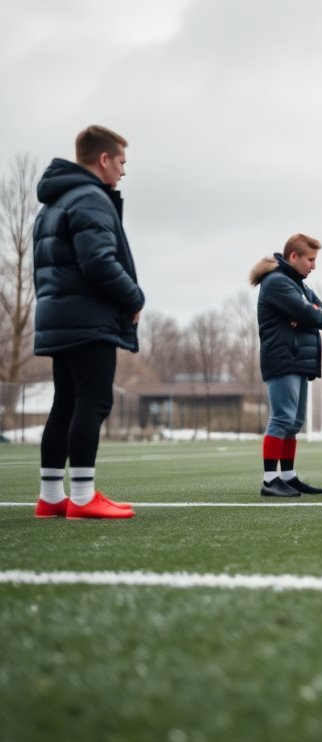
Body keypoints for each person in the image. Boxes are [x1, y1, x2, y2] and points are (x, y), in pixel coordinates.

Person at [31, 125, 144, 520]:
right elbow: (98, 262)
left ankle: (51, 496)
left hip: (59, 315)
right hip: (87, 317)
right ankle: (81, 497)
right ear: (103, 160)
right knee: (92, 402)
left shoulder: (55, 202)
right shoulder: (91, 198)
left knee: (65, 403)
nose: (123, 172)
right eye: (121, 163)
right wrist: (134, 298)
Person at [250, 234, 322, 497]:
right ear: (294, 257)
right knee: (282, 418)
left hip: (298, 360)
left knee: (295, 421)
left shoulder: (297, 284)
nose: (314, 266)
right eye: (310, 260)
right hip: (283, 358)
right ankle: (269, 480)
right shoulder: (276, 282)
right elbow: (312, 313)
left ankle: (287, 476)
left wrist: (309, 313)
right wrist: (309, 313)